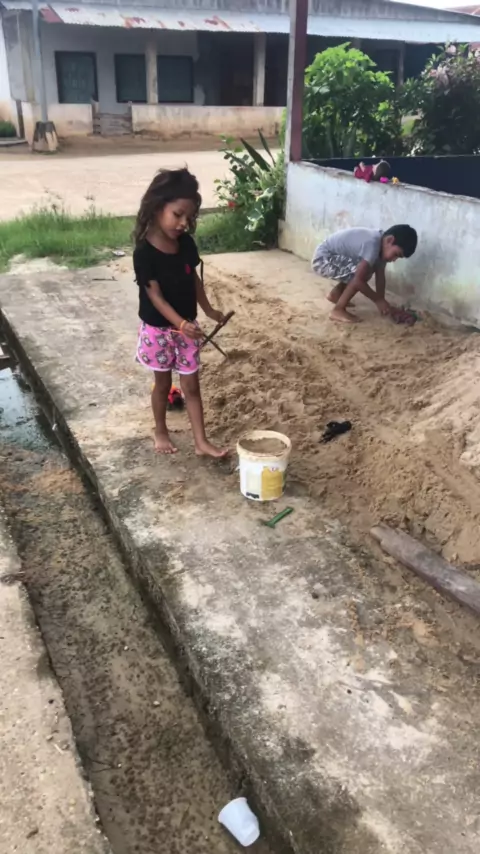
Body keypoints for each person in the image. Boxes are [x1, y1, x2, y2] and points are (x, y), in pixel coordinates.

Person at [133, 167, 228, 457]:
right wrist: (180, 323)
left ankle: (201, 442)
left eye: (189, 217)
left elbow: (193, 279)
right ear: (157, 207)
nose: (184, 223)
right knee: (162, 385)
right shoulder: (144, 253)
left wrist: (209, 310)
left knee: (192, 386)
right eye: (178, 214)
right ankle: (161, 431)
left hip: (187, 328)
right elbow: (155, 296)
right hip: (158, 330)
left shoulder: (185, 244)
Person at [311, 225, 418, 324]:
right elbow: (358, 280)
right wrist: (378, 300)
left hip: (333, 258)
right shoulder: (372, 244)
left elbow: (380, 276)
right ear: (389, 240)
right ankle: (338, 310)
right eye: (396, 254)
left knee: (365, 270)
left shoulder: (381, 245)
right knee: (363, 272)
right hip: (323, 259)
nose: (394, 260)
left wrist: (383, 303)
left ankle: (336, 295)